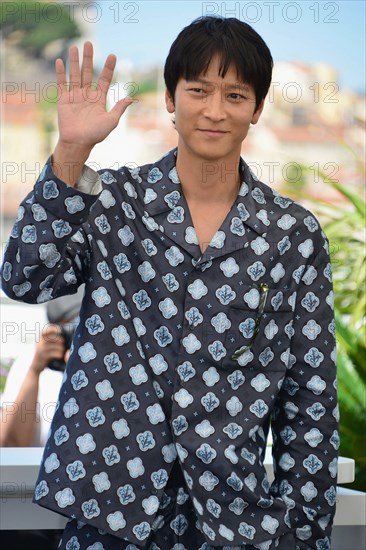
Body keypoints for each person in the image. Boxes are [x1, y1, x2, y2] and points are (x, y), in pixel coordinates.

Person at [0, 16, 339, 550]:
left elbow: (310, 395)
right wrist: (71, 154)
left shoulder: (292, 235)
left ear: (257, 108)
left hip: (234, 523)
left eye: (235, 94)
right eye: (198, 90)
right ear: (170, 98)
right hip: (106, 513)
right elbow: (24, 279)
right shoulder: (111, 201)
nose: (214, 110)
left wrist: (304, 531)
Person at [0, 289, 84, 447]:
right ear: (57, 331)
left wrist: (82, 372)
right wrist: (34, 372)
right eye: (74, 327)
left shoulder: (110, 362)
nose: (80, 335)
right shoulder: (29, 363)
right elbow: (11, 444)